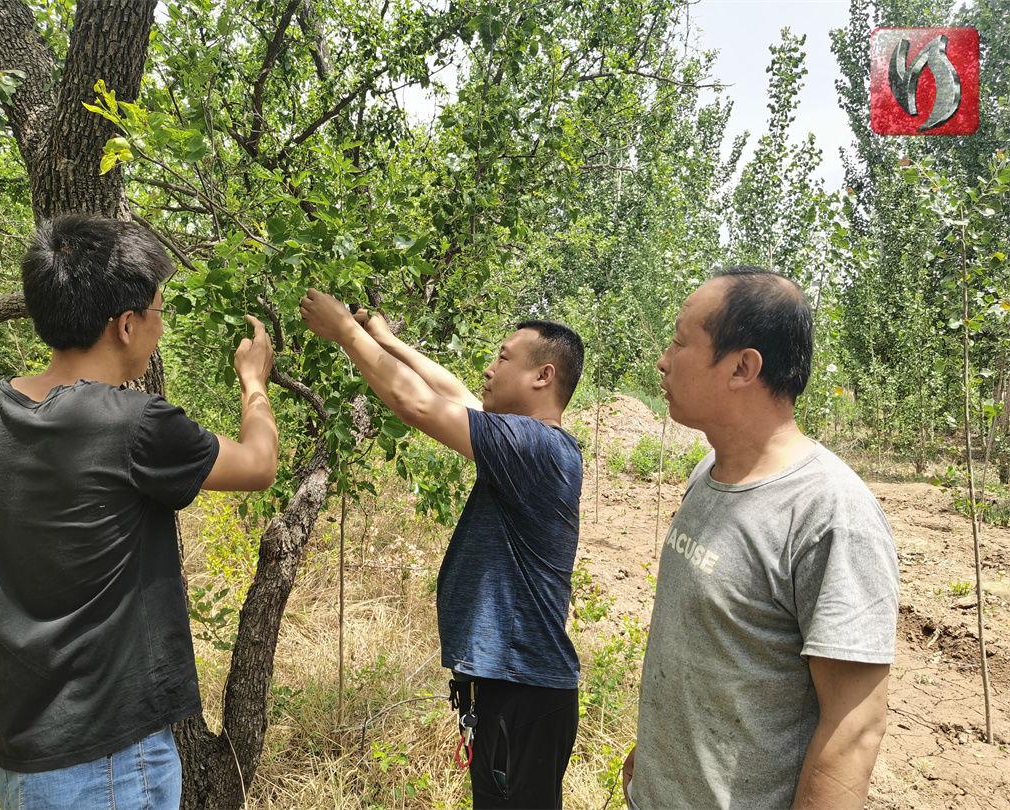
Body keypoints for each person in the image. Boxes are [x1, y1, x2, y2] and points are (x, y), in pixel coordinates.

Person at [0, 214, 279, 809]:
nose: (159, 327)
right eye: (158, 313)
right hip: (112, 762)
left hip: (20, 758)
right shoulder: (134, 423)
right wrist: (253, 382)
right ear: (125, 324)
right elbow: (257, 464)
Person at [623, 267, 899, 810]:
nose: (662, 358)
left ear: (743, 367)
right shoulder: (706, 474)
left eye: (680, 341)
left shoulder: (829, 514)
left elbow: (854, 728)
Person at [299, 289, 584, 808]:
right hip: (514, 689)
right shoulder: (525, 443)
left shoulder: (533, 446)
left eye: (502, 357)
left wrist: (345, 332)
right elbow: (450, 391)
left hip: (523, 692)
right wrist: (384, 340)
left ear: (543, 375)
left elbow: (416, 403)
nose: (488, 368)